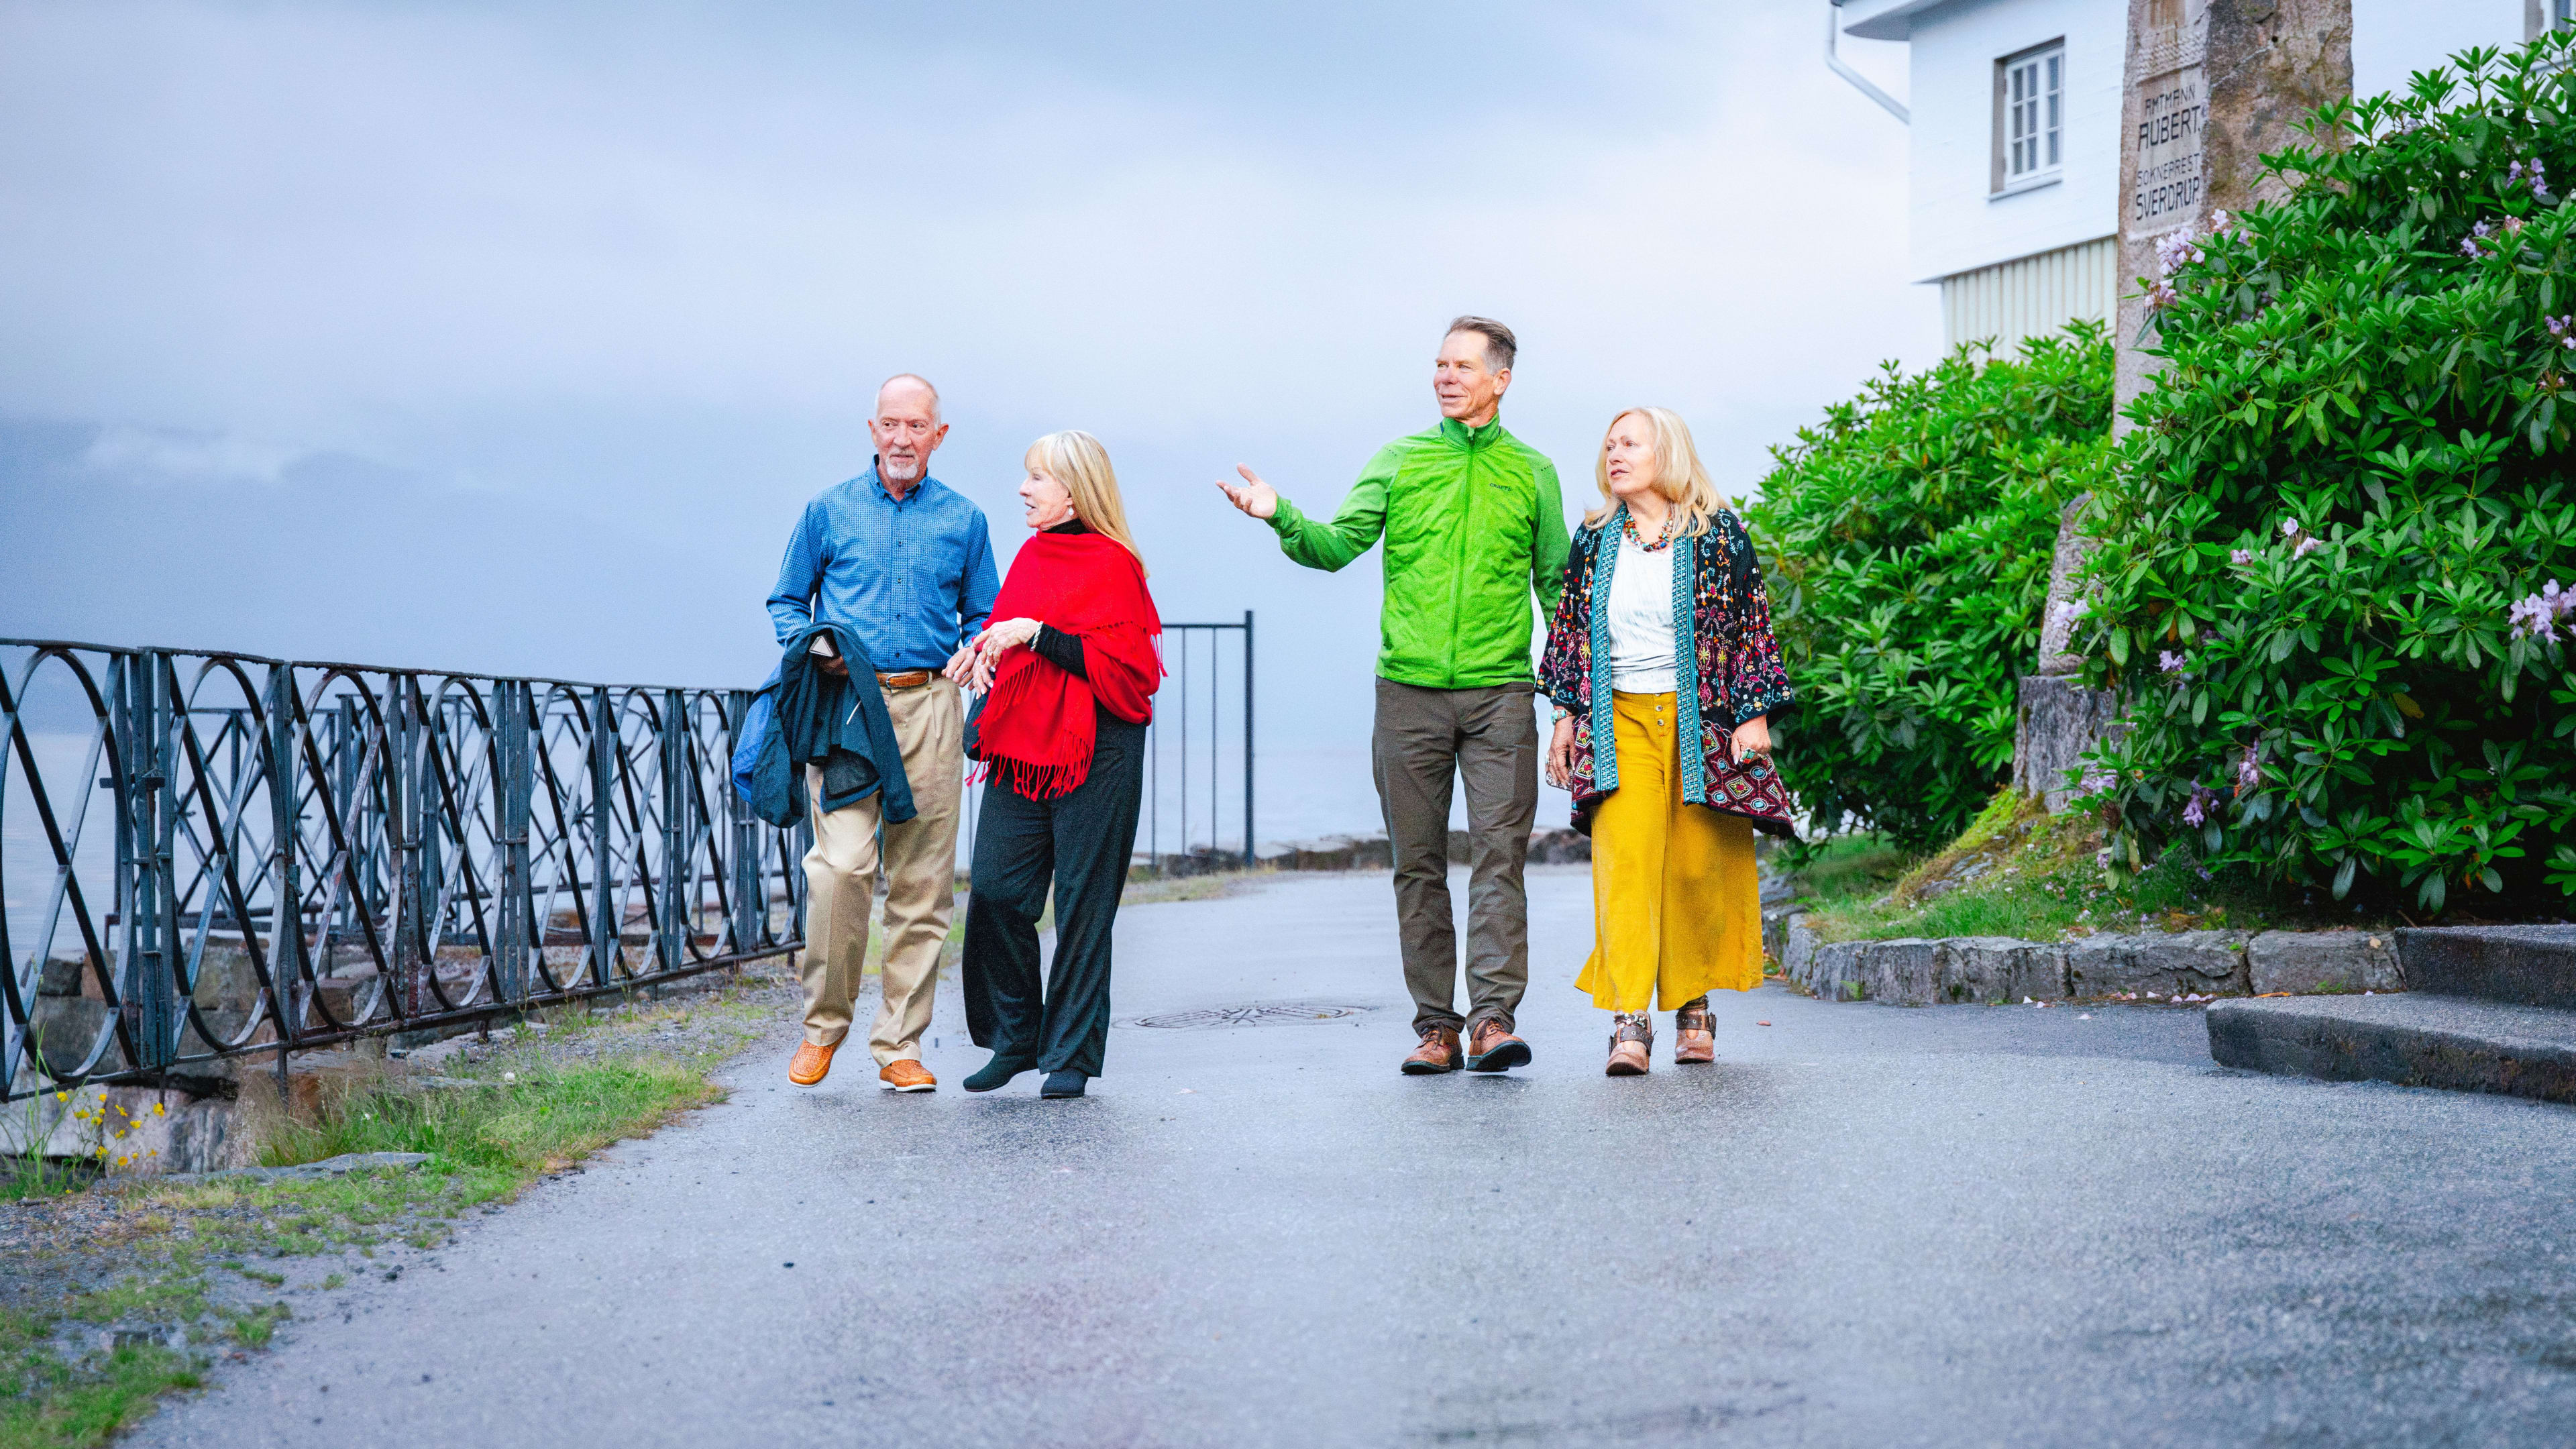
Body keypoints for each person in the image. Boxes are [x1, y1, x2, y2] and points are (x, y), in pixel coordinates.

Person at [1217, 317, 1568, 1075]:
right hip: (1407, 694)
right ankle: (1438, 1028)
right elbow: (1337, 545)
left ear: (1500, 380)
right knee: (1418, 863)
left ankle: (1493, 1021)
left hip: (1502, 692)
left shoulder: (1533, 471)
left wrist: (1568, 701)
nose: (1445, 376)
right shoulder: (1400, 460)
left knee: (1500, 858)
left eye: (1463, 366)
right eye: (1439, 364)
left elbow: (1558, 589)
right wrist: (1279, 515)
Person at [1537, 408, 1795, 1076]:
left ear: (1667, 453)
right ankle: (1629, 1023)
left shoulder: (1717, 534)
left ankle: (1693, 1011)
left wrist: (1754, 711)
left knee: (1697, 866)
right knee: (1625, 867)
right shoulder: (1594, 538)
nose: (1614, 454)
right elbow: (1569, 629)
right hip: (1617, 717)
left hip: (1700, 719)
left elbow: (1752, 623)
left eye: (1630, 443)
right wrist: (1565, 716)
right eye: (1609, 444)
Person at [766, 374, 998, 1093]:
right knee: (839, 870)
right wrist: (812, 645)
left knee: (923, 885)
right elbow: (785, 601)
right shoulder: (826, 511)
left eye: (916, 426)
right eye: (890, 425)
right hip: (845, 712)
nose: (902, 439)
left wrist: (979, 647)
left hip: (931, 704)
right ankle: (822, 1028)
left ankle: (900, 1044)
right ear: (873, 431)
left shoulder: (967, 519)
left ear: (939, 435)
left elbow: (985, 613)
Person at [948, 430, 1163, 1100]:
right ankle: (1015, 1038)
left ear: (1074, 491)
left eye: (1037, 478)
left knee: (1081, 904)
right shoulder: (1030, 556)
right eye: (1027, 476)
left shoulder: (1115, 564)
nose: (1024, 489)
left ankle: (1070, 1054)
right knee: (995, 888)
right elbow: (1012, 640)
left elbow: (1128, 674)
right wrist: (984, 653)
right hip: (1026, 747)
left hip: (1100, 750)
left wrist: (1037, 634)